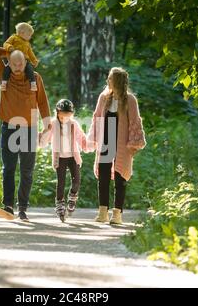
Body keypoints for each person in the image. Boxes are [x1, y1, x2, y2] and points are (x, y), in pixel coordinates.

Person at [0, 45, 51, 221]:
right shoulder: (4, 75)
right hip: (9, 127)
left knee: (26, 170)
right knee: (8, 167)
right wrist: (12, 48)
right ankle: (8, 206)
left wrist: (47, 125)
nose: (17, 66)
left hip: (29, 128)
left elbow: (43, 102)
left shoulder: (35, 78)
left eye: (20, 63)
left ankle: (22, 208)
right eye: (13, 63)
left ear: (25, 62)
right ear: (8, 62)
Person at [87, 67, 146, 224]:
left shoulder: (130, 100)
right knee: (103, 176)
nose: (108, 81)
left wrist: (133, 144)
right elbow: (97, 119)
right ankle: (102, 212)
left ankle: (117, 214)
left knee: (120, 178)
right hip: (105, 141)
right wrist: (93, 138)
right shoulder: (103, 98)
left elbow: (135, 122)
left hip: (122, 144)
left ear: (117, 81)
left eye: (110, 79)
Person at [39, 99, 89, 222]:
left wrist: (87, 145)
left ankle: (72, 197)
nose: (64, 119)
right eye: (62, 116)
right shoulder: (53, 123)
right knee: (60, 183)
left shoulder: (74, 124)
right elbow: (45, 140)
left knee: (76, 181)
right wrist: (44, 133)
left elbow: (81, 137)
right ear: (57, 113)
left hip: (73, 156)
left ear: (71, 114)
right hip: (59, 158)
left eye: (67, 116)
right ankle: (60, 205)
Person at [1, 22, 39, 92]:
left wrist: (34, 60)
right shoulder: (13, 38)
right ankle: (4, 83)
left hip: (24, 61)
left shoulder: (27, 43)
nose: (30, 37)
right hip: (13, 60)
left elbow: (30, 53)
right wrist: (9, 47)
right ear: (22, 33)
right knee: (7, 69)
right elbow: (6, 43)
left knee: (30, 69)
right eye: (29, 35)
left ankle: (33, 84)